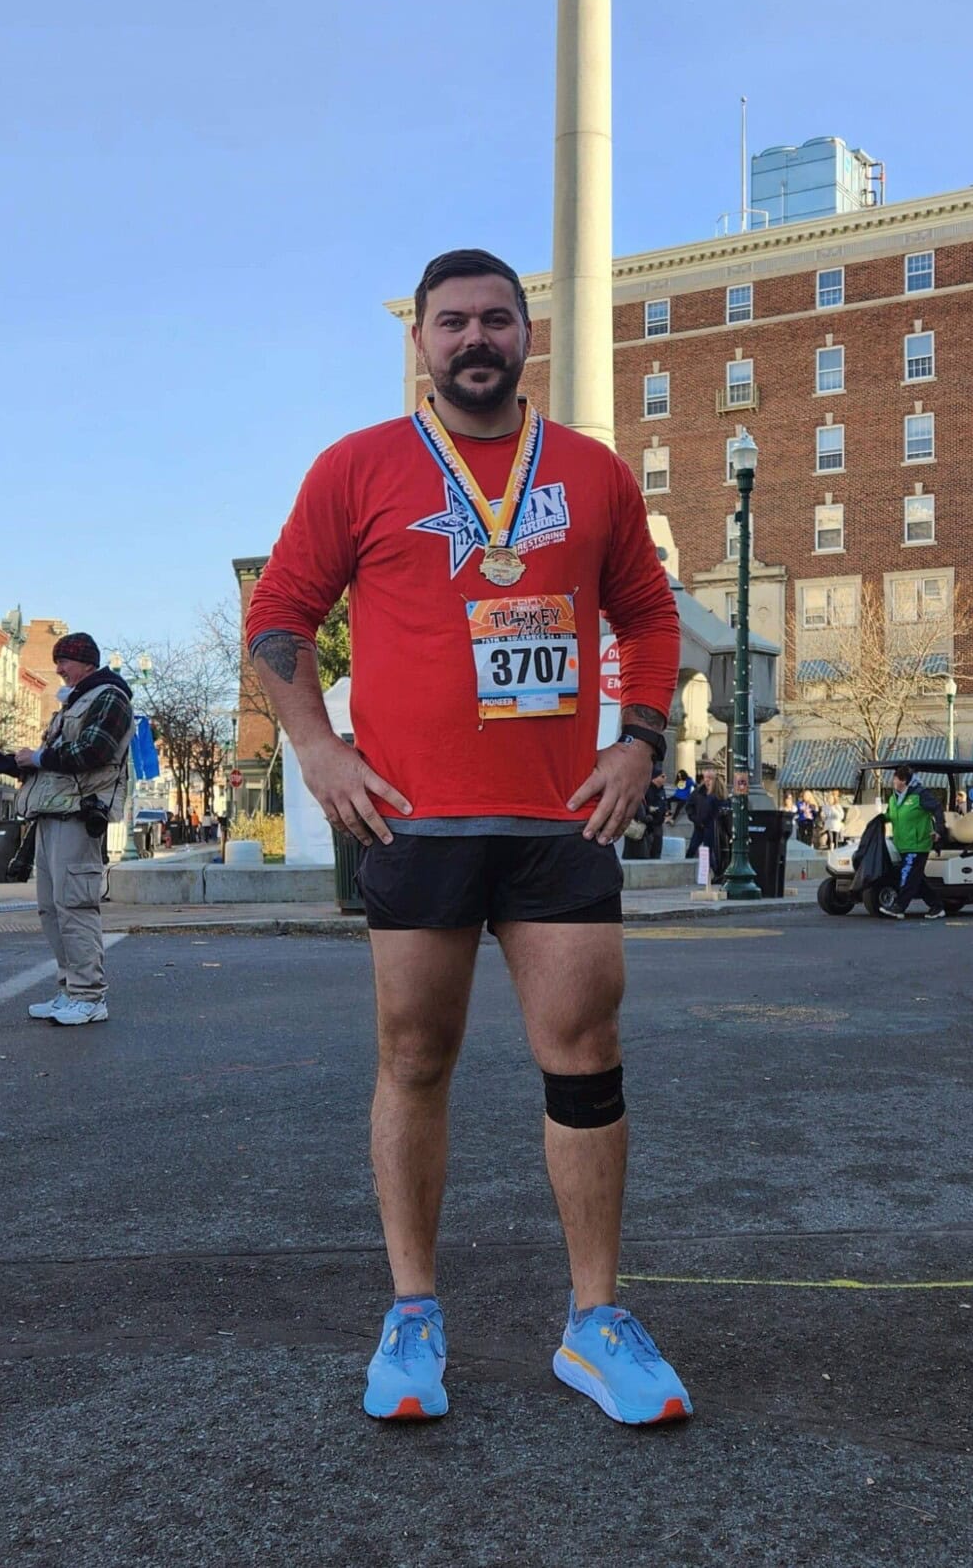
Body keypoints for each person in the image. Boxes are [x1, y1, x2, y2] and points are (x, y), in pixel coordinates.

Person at [246, 248, 690, 1425]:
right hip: (415, 814)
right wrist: (319, 748)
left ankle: (595, 1321)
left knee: (586, 1048)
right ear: (423, 343)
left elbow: (647, 612)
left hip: (557, 814)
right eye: (453, 322)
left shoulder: (594, 474)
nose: (475, 337)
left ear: (527, 335)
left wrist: (640, 738)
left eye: (497, 318)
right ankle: (412, 1310)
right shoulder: (361, 466)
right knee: (414, 1056)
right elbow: (279, 612)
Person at [14, 633, 134, 1025]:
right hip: (54, 812)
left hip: (80, 815)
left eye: (64, 661)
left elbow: (93, 752)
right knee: (52, 909)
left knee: (76, 906)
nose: (59, 669)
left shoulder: (109, 698)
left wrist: (41, 757)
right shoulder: (78, 700)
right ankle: (70, 989)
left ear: (86, 662)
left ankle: (88, 995)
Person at [880, 762, 947, 921]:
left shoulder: (919, 794)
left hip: (918, 844)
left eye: (895, 779)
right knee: (916, 878)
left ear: (903, 780)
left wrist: (939, 830)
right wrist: (879, 820)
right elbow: (891, 815)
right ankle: (937, 906)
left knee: (907, 875)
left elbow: (937, 808)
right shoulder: (893, 798)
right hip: (902, 844)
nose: (893, 782)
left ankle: (899, 907)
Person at [685, 766, 728, 876]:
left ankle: (715, 872)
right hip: (699, 826)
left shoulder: (717, 794)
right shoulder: (698, 792)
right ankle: (688, 871)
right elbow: (689, 806)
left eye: (709, 777)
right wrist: (695, 819)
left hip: (712, 826)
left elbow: (719, 811)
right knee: (692, 848)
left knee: (710, 850)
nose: (707, 780)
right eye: (705, 777)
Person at [643, 765, 668, 859]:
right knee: (649, 850)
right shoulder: (647, 789)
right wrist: (649, 809)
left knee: (657, 849)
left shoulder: (662, 790)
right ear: (655, 778)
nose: (665, 778)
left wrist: (666, 811)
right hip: (649, 825)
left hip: (659, 824)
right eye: (662, 776)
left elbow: (664, 802)